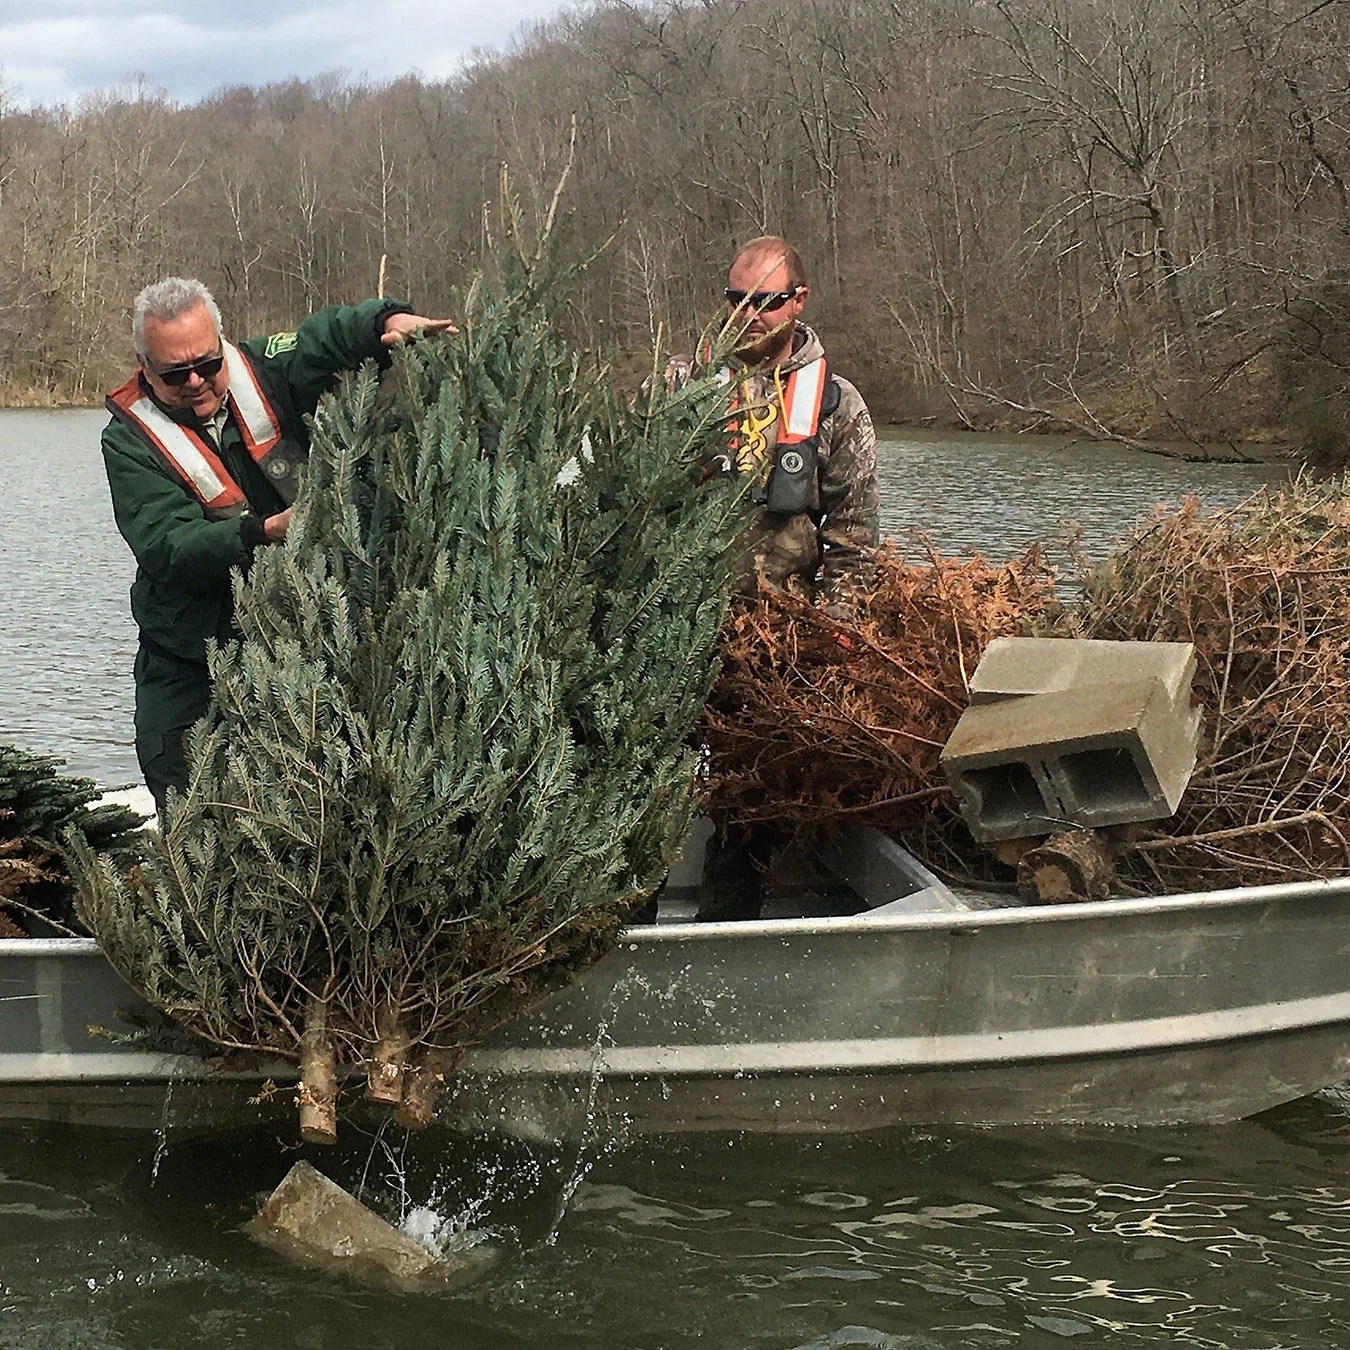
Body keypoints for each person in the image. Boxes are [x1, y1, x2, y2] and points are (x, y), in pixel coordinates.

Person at [102, 276, 455, 818]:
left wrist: (386, 321)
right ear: (144, 367)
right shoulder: (128, 439)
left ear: (222, 344)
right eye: (176, 374)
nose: (196, 381)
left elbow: (324, 335)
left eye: (206, 363)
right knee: (187, 801)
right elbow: (168, 547)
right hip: (188, 652)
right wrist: (262, 532)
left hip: (299, 634)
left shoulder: (263, 367)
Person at [666, 236, 881, 922]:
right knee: (645, 795)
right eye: (735, 300)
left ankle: (726, 939)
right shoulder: (679, 391)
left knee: (747, 811)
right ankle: (628, 938)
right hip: (674, 636)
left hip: (772, 648)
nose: (747, 315)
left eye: (765, 302)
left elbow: (853, 542)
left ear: (799, 300)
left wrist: (832, 640)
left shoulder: (836, 405)